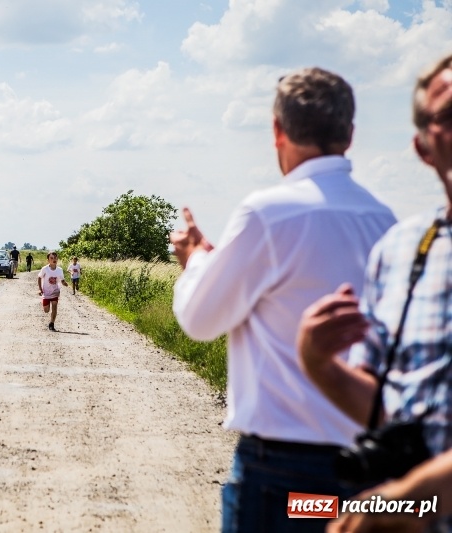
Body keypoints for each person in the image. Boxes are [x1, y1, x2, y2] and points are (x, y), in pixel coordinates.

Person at [169, 67, 396, 533]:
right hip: (370, 469)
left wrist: (195, 260)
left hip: (282, 467)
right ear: (349, 135)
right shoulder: (386, 220)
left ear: (277, 131)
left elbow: (200, 319)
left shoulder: (269, 213)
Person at [298, 53, 452, 532]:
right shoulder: (403, 250)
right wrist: (318, 365)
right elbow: (390, 407)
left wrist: (407, 497)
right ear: (424, 146)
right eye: (449, 116)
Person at [38, 252, 68, 331]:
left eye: (55, 258)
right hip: (46, 293)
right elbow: (39, 277)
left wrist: (64, 283)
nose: (54, 259)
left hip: (55, 292)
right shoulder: (45, 269)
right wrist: (40, 289)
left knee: (54, 307)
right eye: (51, 258)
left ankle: (52, 323)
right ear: (48, 260)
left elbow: (62, 280)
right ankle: (46, 307)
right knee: (46, 310)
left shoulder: (59, 270)